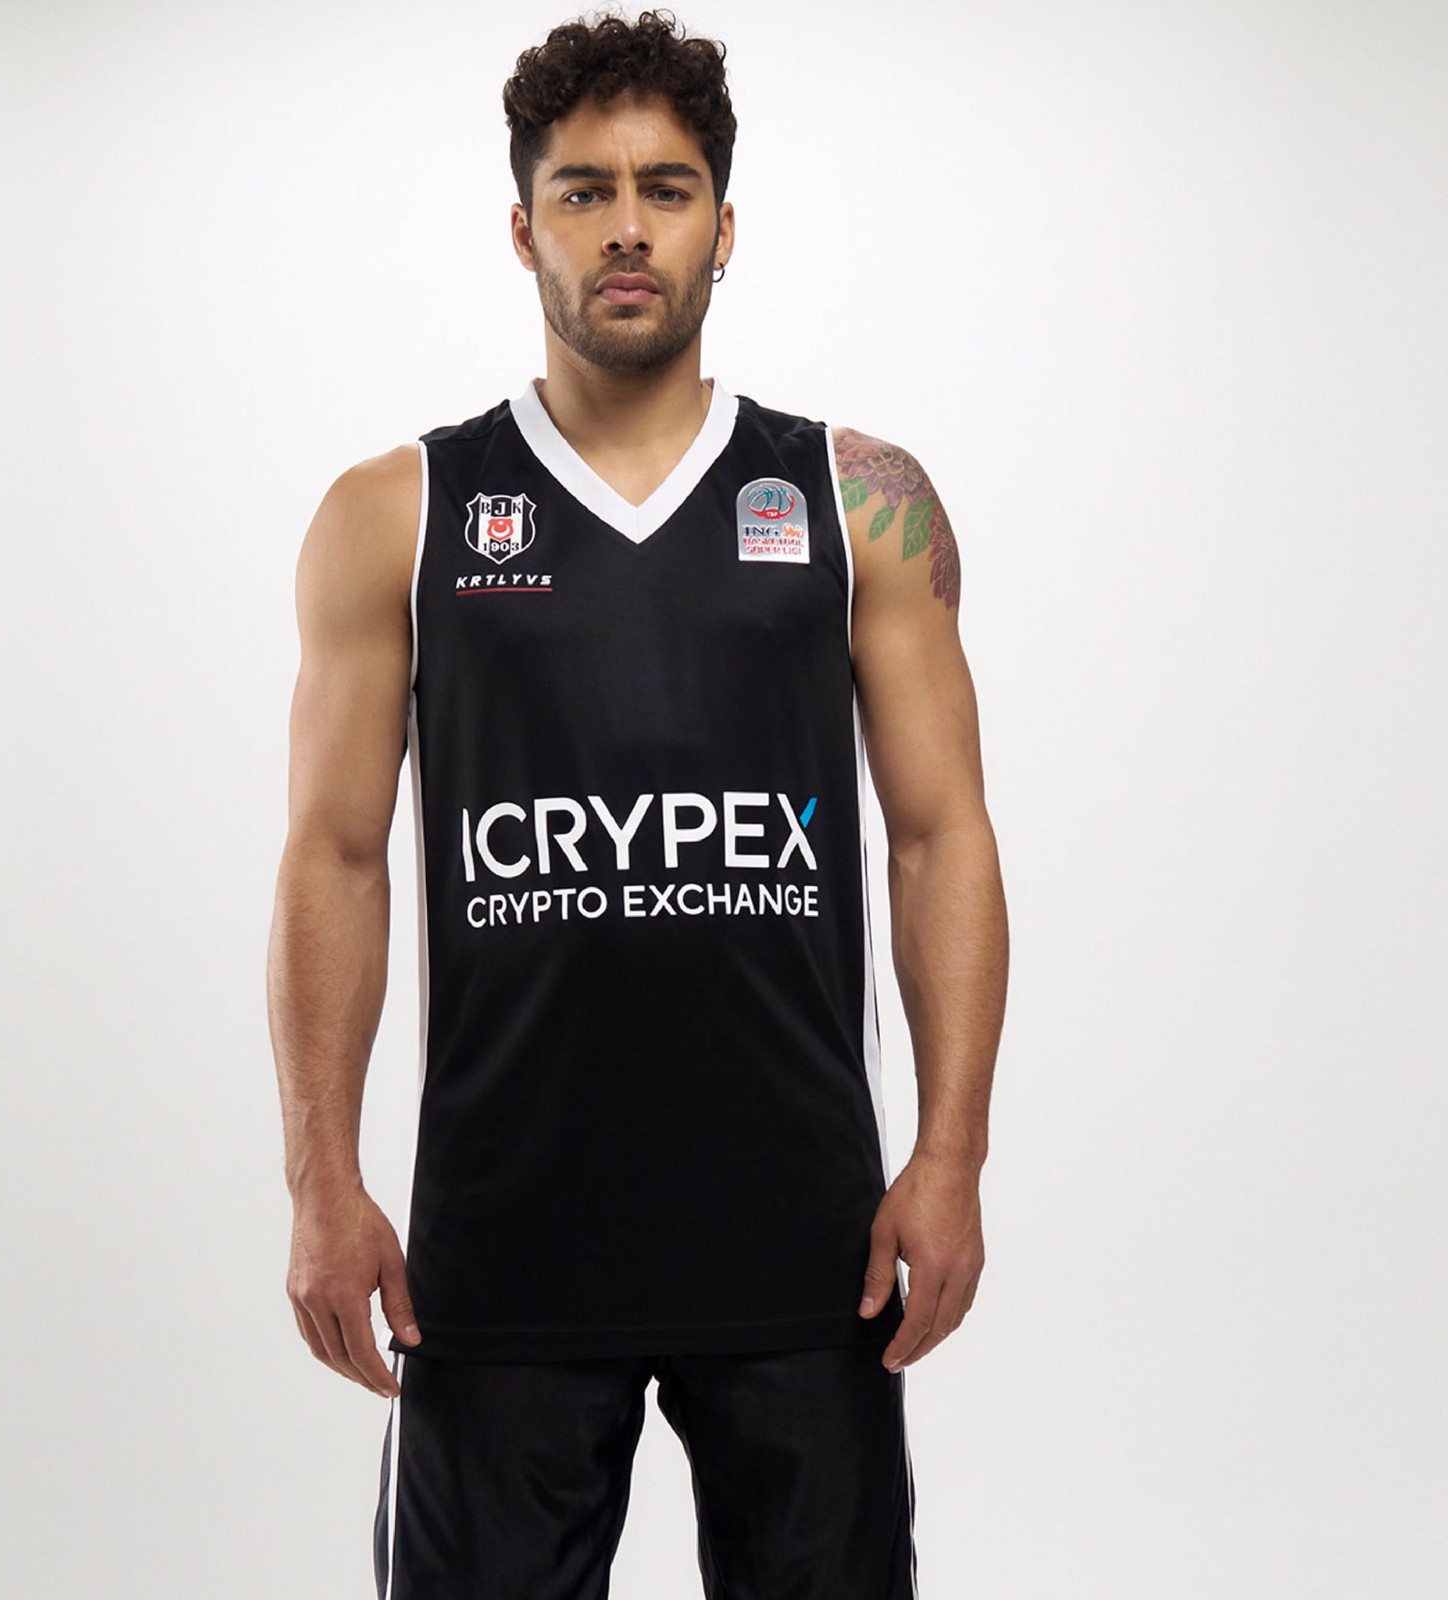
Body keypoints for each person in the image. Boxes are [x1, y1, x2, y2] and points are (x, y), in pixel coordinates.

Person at [266, 10, 1007, 1597]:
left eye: (666, 190)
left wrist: (950, 1158)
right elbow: (332, 858)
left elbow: (941, 836)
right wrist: (320, 1182)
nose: (625, 227)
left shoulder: (857, 498)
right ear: (522, 226)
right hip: (501, 1255)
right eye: (584, 190)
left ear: (723, 228)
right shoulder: (397, 512)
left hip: (807, 1249)